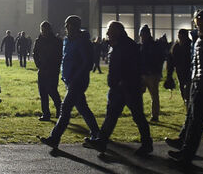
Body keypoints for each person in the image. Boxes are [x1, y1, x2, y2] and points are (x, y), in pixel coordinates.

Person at [167, 7, 203, 166]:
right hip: (200, 87)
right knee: (194, 123)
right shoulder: (199, 40)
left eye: (202, 25)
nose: (199, 28)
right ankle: (186, 155)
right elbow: (195, 63)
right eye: (197, 25)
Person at [90, 21, 153, 158]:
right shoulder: (119, 45)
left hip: (129, 87)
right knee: (112, 115)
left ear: (117, 32)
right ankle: (102, 141)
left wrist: (122, 81)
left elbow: (133, 66)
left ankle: (147, 144)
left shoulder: (127, 46)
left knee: (137, 116)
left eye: (109, 31)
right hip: (120, 87)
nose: (107, 34)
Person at [39, 15, 100, 152]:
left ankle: (55, 138)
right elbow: (66, 59)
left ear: (75, 26)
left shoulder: (82, 42)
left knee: (65, 109)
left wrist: (75, 77)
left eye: (68, 25)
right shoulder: (68, 41)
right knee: (83, 108)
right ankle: (97, 134)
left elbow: (87, 63)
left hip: (77, 81)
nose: (66, 27)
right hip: (70, 80)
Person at [32, 21, 63, 121]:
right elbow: (35, 54)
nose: (44, 31)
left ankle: (58, 111)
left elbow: (59, 56)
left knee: (52, 90)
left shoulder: (54, 41)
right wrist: (39, 64)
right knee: (43, 92)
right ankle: (47, 113)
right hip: (44, 69)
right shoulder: (52, 41)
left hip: (51, 69)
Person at [137, 26, 163, 122]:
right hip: (148, 73)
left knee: (152, 96)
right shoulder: (152, 45)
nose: (141, 37)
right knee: (153, 96)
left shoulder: (145, 46)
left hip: (149, 74)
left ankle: (152, 115)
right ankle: (153, 115)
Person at [167, 28, 191, 104]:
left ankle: (187, 101)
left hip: (187, 71)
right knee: (183, 87)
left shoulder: (177, 46)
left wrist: (169, 73)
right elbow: (171, 60)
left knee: (186, 88)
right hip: (181, 70)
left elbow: (171, 61)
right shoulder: (178, 46)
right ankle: (186, 101)